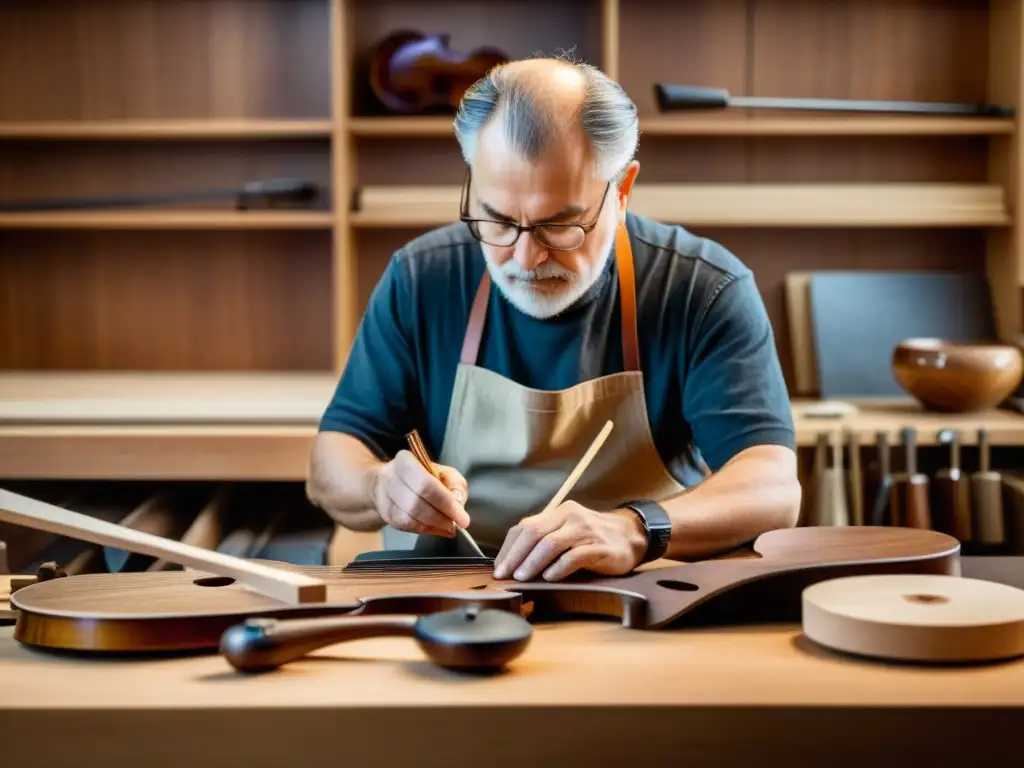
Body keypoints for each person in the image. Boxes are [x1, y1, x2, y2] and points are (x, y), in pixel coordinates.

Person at [306, 56, 801, 583]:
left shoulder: (702, 287)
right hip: (448, 600)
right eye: (497, 220)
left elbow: (771, 487)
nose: (524, 258)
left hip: (640, 600)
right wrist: (380, 486)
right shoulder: (422, 277)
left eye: (559, 226)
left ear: (623, 188)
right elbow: (331, 463)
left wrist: (636, 529)